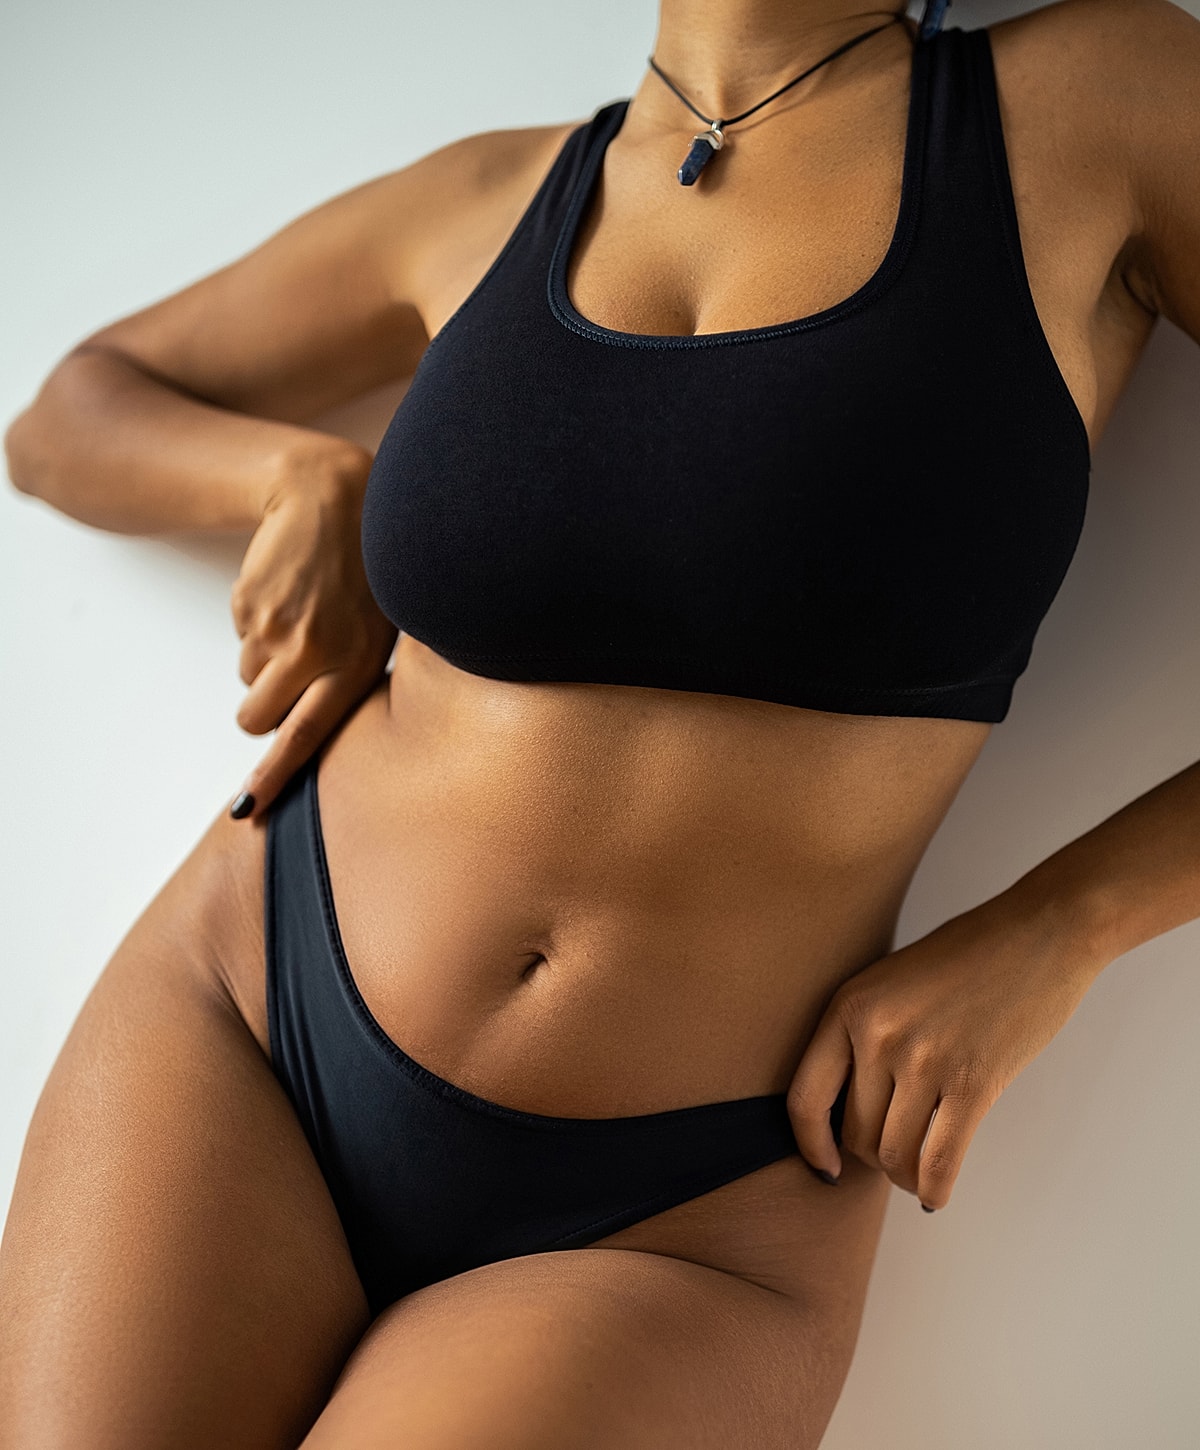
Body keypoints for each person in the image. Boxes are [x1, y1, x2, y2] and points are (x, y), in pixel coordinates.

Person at [2, 0, 1198, 1443]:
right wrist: (293, 479)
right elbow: (66, 415)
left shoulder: (1101, 106)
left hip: (686, 1209)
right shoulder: (492, 194)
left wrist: (1062, 926)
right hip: (250, 1019)